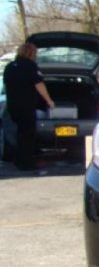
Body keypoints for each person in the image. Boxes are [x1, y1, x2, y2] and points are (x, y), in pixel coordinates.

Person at [2, 42, 55, 171]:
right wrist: (49, 100)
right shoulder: (30, 66)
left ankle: (15, 158)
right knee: (27, 135)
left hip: (12, 106)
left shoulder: (9, 66)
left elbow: (6, 85)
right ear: (31, 53)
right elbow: (39, 84)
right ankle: (26, 163)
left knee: (17, 133)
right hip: (26, 106)